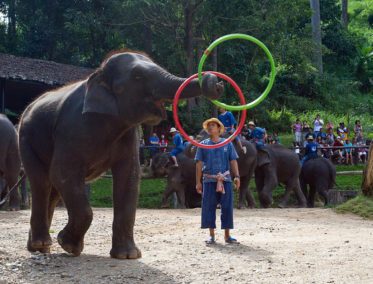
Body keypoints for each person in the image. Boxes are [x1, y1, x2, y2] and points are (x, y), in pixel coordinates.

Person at [195, 118, 240, 245]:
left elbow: (233, 160)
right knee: (208, 207)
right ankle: (212, 236)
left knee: (227, 207)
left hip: (225, 179)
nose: (210, 128)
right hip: (209, 180)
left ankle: (227, 235)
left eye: (213, 125)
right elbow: (198, 164)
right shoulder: (203, 144)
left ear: (219, 128)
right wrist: (198, 182)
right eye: (208, 126)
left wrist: (237, 176)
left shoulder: (227, 144)